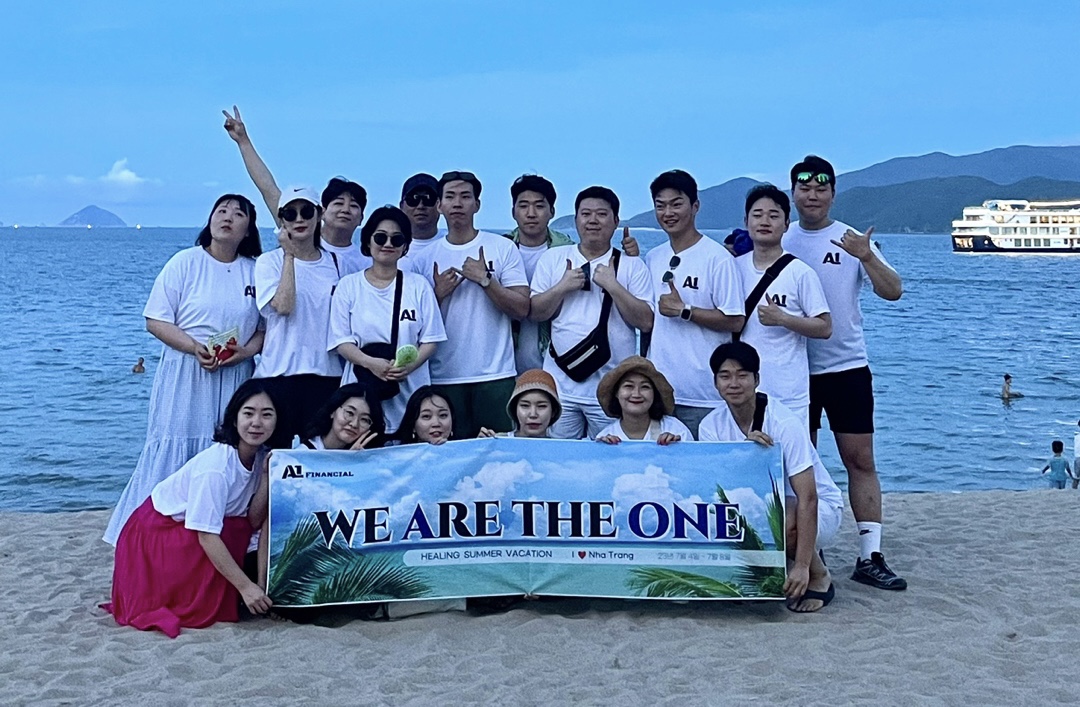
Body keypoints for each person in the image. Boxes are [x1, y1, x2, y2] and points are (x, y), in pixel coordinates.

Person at [104, 195, 264, 545]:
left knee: (228, 451)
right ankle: (148, 539)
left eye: (238, 214)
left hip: (236, 375)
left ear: (248, 229)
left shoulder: (255, 270)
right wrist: (194, 347)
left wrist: (244, 353)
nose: (228, 217)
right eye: (221, 210)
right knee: (176, 446)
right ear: (210, 220)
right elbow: (156, 320)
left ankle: (222, 538)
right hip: (187, 372)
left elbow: (265, 330)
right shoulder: (185, 262)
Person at [782, 154, 907, 591]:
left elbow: (893, 291)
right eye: (804, 188)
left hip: (846, 367)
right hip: (793, 372)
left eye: (821, 188)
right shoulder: (781, 236)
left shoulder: (851, 239)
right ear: (793, 193)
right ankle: (806, 552)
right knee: (799, 466)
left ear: (833, 194)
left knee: (860, 460)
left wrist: (866, 256)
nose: (812, 195)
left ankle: (870, 555)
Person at [104, 379, 282, 637]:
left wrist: (266, 477)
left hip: (199, 528)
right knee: (229, 542)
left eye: (266, 415)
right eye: (248, 413)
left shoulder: (261, 456)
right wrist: (246, 587)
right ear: (234, 419)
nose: (256, 422)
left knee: (241, 530)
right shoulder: (216, 468)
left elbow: (253, 520)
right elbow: (206, 534)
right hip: (155, 535)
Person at [698, 341, 844, 613]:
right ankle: (779, 568)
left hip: (817, 508)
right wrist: (746, 455)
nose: (734, 383)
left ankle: (818, 574)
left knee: (782, 520)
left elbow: (809, 497)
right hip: (762, 505)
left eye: (742, 375)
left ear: (757, 379)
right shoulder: (711, 425)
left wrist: (802, 567)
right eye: (725, 376)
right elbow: (720, 488)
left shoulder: (784, 423)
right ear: (715, 382)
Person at [413, 171, 531, 439]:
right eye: (450, 197)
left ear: (477, 204)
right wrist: (437, 295)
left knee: (500, 453)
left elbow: (522, 309)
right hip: (442, 376)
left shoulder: (502, 247)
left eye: (466, 197)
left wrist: (486, 281)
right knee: (448, 453)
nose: (458, 203)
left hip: (496, 375)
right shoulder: (424, 258)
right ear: (439, 205)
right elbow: (413, 324)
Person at [530, 186, 654, 439]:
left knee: (610, 454)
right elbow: (536, 313)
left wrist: (613, 286)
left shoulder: (632, 265)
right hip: (560, 385)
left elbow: (645, 322)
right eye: (585, 214)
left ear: (616, 221)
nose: (593, 220)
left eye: (602, 214)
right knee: (560, 455)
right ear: (576, 219)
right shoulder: (553, 259)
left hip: (612, 388)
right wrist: (562, 287)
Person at [644, 170, 744, 438]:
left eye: (676, 204)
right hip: (659, 392)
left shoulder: (718, 258)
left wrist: (685, 311)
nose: (668, 213)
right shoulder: (653, 257)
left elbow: (735, 320)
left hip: (704, 395)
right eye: (660, 206)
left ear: (695, 206)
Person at [329, 206, 446, 434]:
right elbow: (341, 342)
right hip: (362, 389)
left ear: (405, 246)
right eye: (381, 237)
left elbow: (432, 339)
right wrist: (371, 363)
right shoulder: (349, 286)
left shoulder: (419, 285)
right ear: (368, 241)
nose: (388, 244)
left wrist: (409, 366)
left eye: (397, 239)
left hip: (410, 389)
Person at [223, 106, 370, 276]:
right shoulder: (300, 232)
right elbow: (268, 188)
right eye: (338, 203)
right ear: (322, 212)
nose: (345, 210)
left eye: (353, 205)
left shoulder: (365, 262)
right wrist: (243, 141)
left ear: (362, 218)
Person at [253, 186, 345, 446]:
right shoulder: (269, 262)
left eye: (306, 211)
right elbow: (283, 306)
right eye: (290, 214)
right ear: (282, 219)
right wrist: (289, 255)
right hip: (278, 374)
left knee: (319, 459)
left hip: (327, 376)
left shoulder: (336, 263)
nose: (299, 219)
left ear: (320, 214)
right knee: (276, 458)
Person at [735, 184, 831, 428]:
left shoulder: (800, 273)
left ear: (787, 224)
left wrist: (783, 319)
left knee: (791, 452)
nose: (764, 221)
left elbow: (825, 327)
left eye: (774, 215)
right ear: (746, 221)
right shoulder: (732, 268)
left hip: (787, 391)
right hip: (738, 392)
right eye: (757, 215)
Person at [594, 356, 691, 444]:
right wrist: (605, 451)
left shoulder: (675, 429)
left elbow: (692, 457)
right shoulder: (606, 437)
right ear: (616, 392)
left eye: (645, 387)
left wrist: (676, 448)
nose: (636, 394)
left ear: (655, 393)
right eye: (628, 386)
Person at [299, 383, 387, 451]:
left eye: (364, 419)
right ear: (333, 411)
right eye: (350, 413)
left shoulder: (368, 460)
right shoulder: (303, 453)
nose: (354, 424)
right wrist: (346, 461)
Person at [479, 368, 563, 439]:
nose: (533, 414)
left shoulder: (560, 449)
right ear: (514, 409)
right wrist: (480, 447)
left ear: (554, 411)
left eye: (541, 406)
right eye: (525, 406)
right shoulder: (498, 441)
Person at [398, 173, 445, 272]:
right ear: (401, 206)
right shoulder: (386, 245)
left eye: (428, 199)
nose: (420, 206)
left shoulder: (454, 244)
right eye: (413, 199)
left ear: (440, 205)